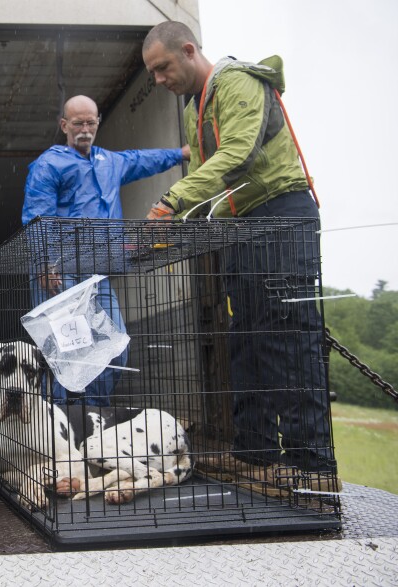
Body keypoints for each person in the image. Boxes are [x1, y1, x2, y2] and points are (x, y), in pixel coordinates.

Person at [141, 21, 339, 491]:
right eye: (151, 73)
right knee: (246, 336)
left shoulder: (238, 82)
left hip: (281, 214)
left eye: (163, 68)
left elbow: (238, 156)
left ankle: (312, 464)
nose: (158, 81)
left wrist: (170, 202)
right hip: (239, 226)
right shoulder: (192, 109)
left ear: (189, 50)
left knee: (287, 334)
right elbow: (210, 175)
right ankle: (254, 452)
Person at [22, 94, 190, 407]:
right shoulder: (50, 164)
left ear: (98, 122)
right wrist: (45, 263)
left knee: (116, 348)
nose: (84, 129)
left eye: (90, 122)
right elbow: (37, 215)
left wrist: (181, 153)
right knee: (70, 353)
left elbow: (143, 160)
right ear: (64, 125)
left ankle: (93, 416)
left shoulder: (109, 162)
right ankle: (64, 424)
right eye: (77, 123)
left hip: (97, 274)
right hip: (60, 274)